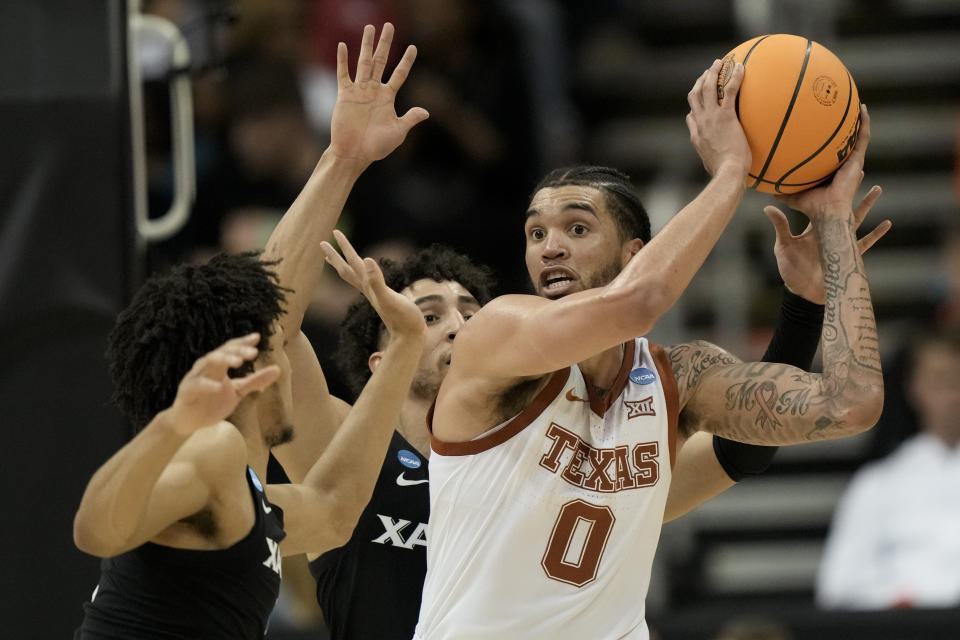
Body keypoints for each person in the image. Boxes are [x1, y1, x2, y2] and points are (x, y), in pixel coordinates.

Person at [414, 56, 885, 638]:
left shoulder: (677, 377)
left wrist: (831, 241)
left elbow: (849, 404)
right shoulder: (496, 332)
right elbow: (640, 303)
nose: (549, 248)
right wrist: (731, 172)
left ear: (635, 253)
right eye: (536, 232)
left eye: (577, 228)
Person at [72, 27, 428, 640]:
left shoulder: (248, 498)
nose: (294, 349)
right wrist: (175, 424)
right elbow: (95, 530)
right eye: (278, 344)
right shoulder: (212, 451)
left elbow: (340, 512)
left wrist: (404, 351)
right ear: (251, 366)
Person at [815, 326, 960, 610]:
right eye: (942, 381)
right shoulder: (877, 483)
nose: (954, 395)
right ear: (915, 387)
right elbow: (836, 586)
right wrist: (898, 598)